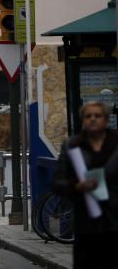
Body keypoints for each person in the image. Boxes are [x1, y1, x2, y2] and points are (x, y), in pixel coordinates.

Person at [52, 100, 118, 268]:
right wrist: (76, 186)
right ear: (82, 120)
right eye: (88, 116)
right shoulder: (73, 146)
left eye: (98, 115)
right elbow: (57, 182)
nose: (93, 119)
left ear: (106, 119)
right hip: (86, 224)